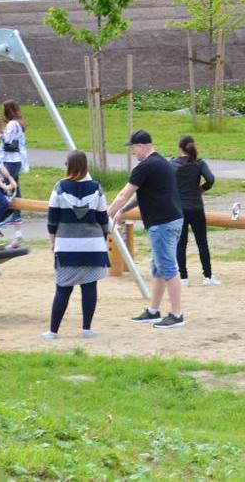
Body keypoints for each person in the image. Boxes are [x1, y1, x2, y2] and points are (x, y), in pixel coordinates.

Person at [107, 129, 187, 329]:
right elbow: (141, 194)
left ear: (141, 146)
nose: (133, 153)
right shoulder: (162, 163)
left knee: (168, 267)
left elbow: (124, 193)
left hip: (162, 223)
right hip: (172, 219)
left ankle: (177, 314)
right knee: (158, 268)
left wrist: (107, 212)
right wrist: (122, 211)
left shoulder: (145, 167)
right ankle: (153, 310)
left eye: (134, 149)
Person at [45, 150, 110, 340]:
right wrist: (103, 239)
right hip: (93, 245)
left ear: (70, 166)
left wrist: (52, 242)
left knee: (63, 288)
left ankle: (53, 331)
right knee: (89, 287)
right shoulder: (97, 188)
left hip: (67, 245)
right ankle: (87, 329)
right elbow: (103, 219)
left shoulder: (59, 187)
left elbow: (52, 220)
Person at [171, 135, 219, 287]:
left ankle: (183, 278)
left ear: (179, 148)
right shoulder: (199, 163)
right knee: (202, 242)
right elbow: (210, 179)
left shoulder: (172, 164)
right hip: (196, 207)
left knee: (181, 243)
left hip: (179, 208)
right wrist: (202, 189)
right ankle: (207, 276)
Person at [0, 100, 28, 224]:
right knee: (15, 185)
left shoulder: (12, 124)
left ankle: (5, 212)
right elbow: (5, 137)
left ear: (7, 111)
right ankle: (17, 214)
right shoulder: (16, 124)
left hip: (11, 161)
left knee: (5, 185)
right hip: (15, 160)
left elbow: (6, 141)